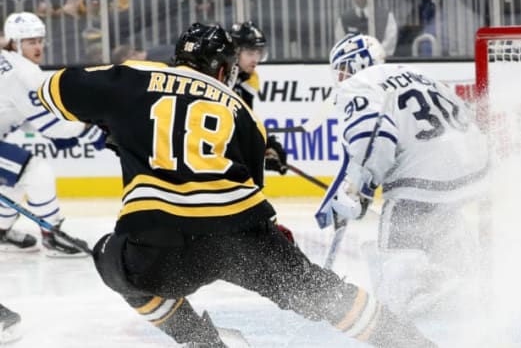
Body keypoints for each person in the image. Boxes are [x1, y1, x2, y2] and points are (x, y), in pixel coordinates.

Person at [37, 22, 437, 347]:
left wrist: (114, 120)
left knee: (110, 259)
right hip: (239, 241)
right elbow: (251, 185)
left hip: (159, 246)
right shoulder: (241, 109)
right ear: (225, 70)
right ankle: (410, 342)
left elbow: (51, 91)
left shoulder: (135, 77)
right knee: (318, 292)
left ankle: (201, 342)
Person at [317, 34, 486, 318]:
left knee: (394, 291)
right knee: (440, 218)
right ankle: (461, 277)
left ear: (357, 63)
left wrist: (361, 190)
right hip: (473, 171)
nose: (341, 77)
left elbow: (374, 138)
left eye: (343, 69)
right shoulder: (415, 73)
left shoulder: (358, 85)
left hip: (424, 180)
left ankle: (429, 287)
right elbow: (467, 114)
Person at [0, 12, 100, 256]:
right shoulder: (21, 73)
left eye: (39, 40)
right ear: (15, 42)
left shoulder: (9, 61)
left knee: (13, 178)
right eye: (30, 42)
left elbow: (22, 115)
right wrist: (89, 131)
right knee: (35, 171)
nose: (38, 47)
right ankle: (52, 234)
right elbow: (50, 125)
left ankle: (1, 231)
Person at [228, 20, 288, 175]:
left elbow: (244, 121)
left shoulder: (249, 78)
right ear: (235, 51)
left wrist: (265, 145)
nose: (255, 59)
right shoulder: (219, 76)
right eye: (250, 53)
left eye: (258, 53)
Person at [334, 0, 398, 56]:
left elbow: (389, 44)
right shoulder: (343, 19)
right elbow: (341, 45)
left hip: (381, 65)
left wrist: (373, 56)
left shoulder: (387, 16)